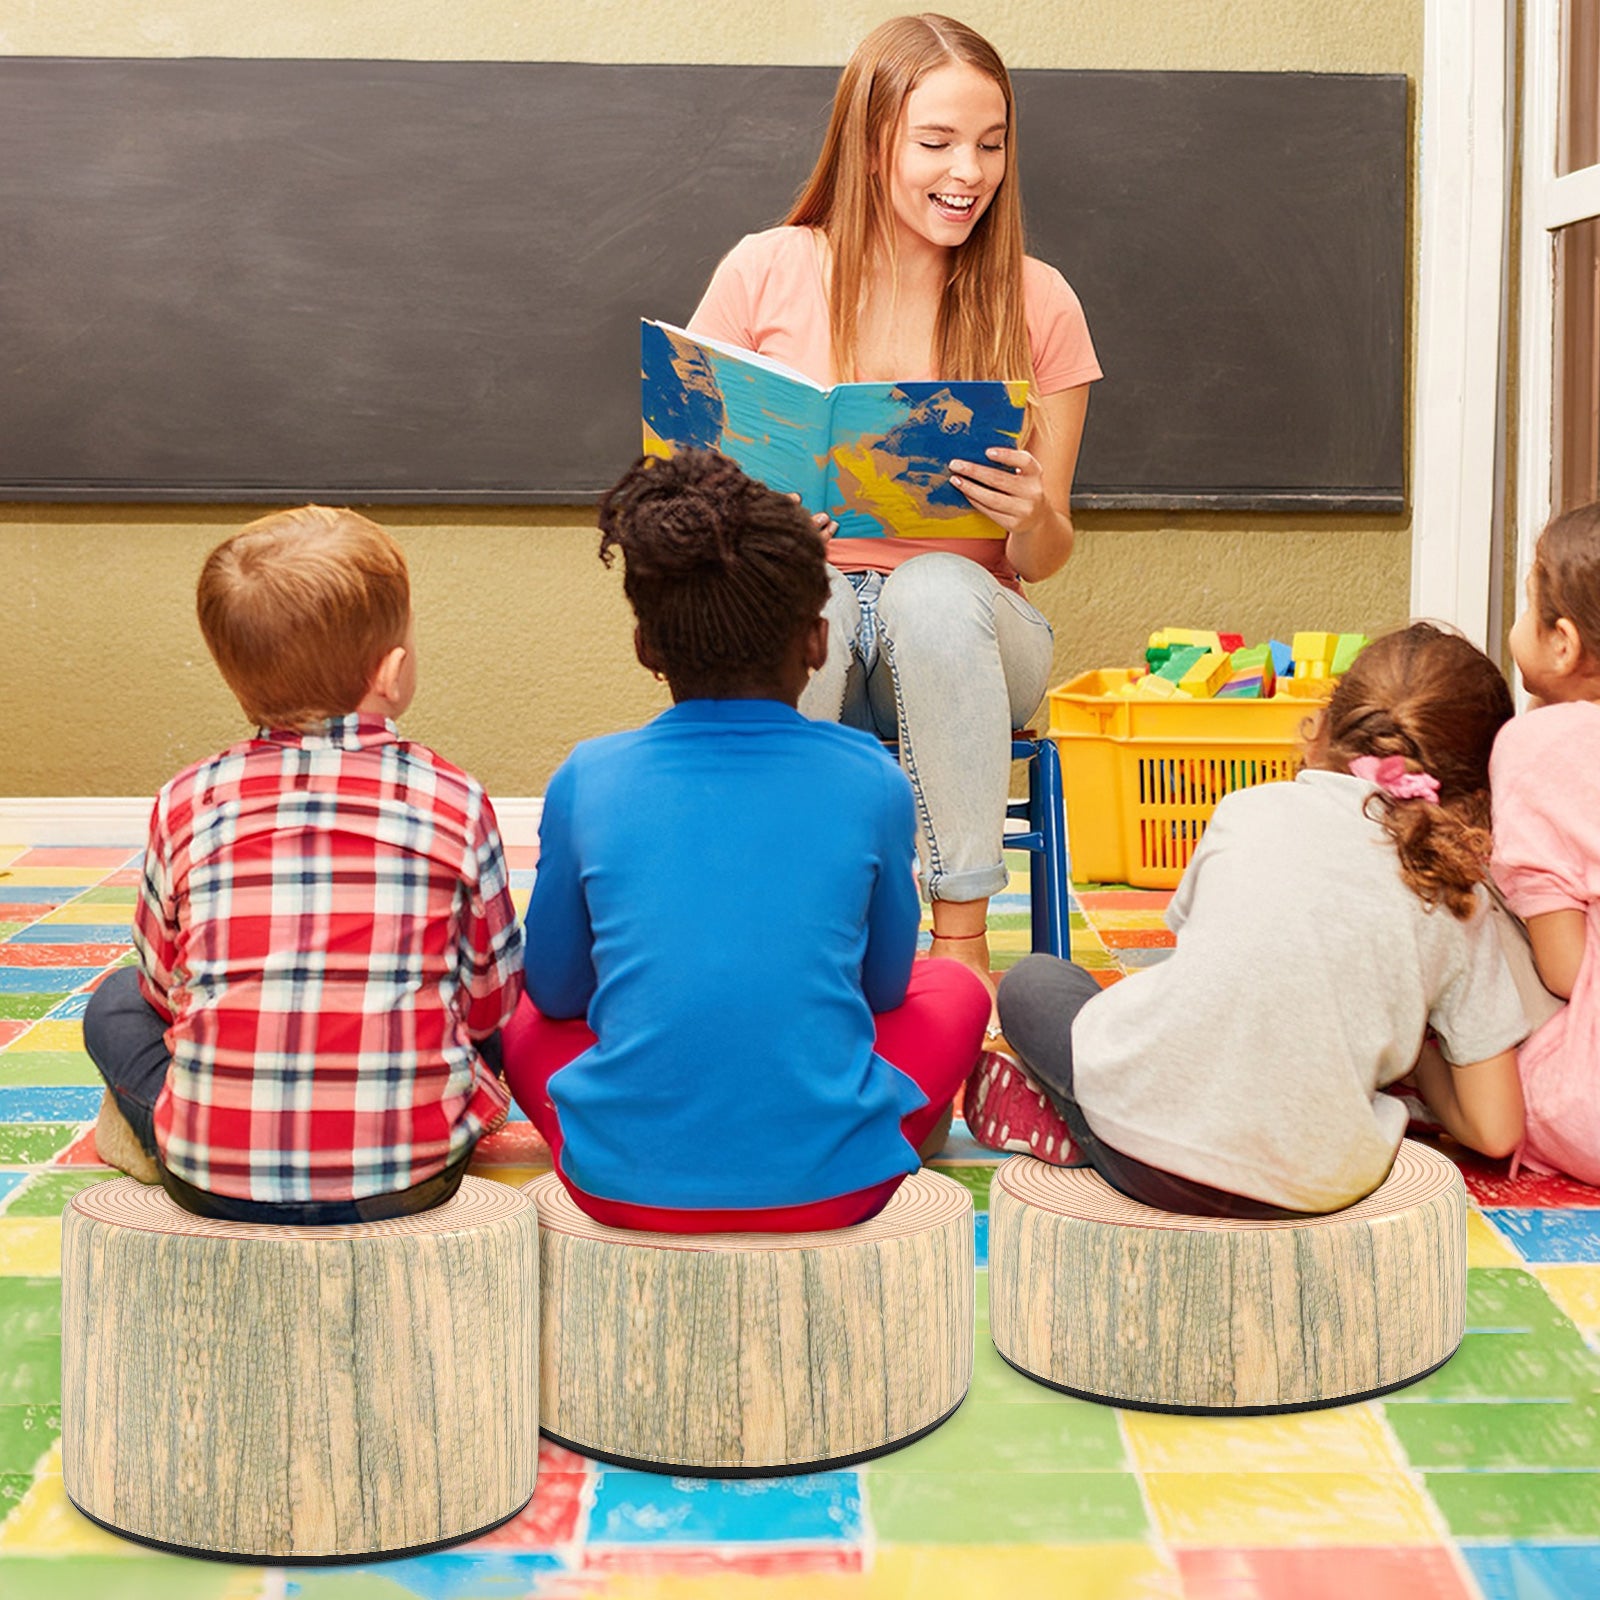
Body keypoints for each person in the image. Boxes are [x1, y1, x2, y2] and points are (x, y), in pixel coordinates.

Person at [687, 13, 1101, 1007]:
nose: (970, 171)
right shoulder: (764, 271)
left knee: (931, 587)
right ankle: (798, 928)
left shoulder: (1038, 302)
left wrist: (1029, 511)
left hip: (968, 637)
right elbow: (686, 498)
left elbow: (1043, 557)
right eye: (938, 142)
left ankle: (959, 946)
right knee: (814, 591)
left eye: (991, 143)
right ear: (874, 146)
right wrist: (758, 529)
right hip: (808, 626)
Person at [500, 451, 991, 1232]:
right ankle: (901, 1133)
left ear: (645, 649)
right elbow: (884, 991)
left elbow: (557, 995)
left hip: (620, 1183)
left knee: (518, 1014)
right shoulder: (874, 782)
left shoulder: (586, 777)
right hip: (834, 1186)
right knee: (957, 987)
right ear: (818, 641)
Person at [979, 624, 1528, 1217]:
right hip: (1311, 1189)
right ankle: (1079, 1121)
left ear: (1319, 730)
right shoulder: (1456, 894)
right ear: (1480, 791)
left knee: (1034, 980)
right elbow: (1494, 1130)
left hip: (1143, 1155)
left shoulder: (1248, 808)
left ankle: (1072, 1121)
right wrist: (1419, 1042)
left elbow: (1211, 962)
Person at [82, 506, 524, 1223]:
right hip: (413, 1174)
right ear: (392, 671)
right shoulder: (455, 799)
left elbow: (163, 994)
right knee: (504, 1009)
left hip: (213, 1179)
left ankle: (167, 1127)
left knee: (112, 1004)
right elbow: (490, 1005)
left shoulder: (185, 800)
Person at [1490, 502, 1600, 1183]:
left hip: (1584, 1102)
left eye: (1527, 603)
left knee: (1452, 889)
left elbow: (1562, 969)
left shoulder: (1539, 747)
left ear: (1562, 643)